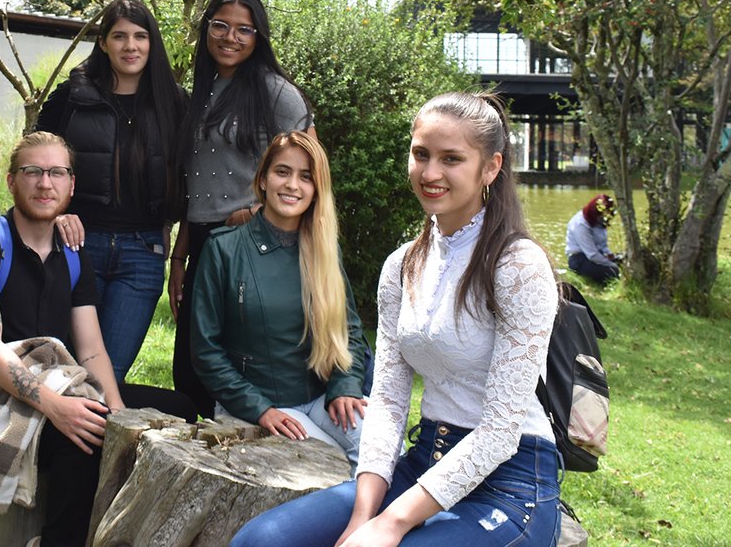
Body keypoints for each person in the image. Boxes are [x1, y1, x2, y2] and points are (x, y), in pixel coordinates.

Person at [231, 91, 561, 547]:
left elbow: (501, 433)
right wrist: (363, 515)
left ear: (490, 167)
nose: (430, 173)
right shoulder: (401, 265)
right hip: (422, 461)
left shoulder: (518, 266)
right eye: (421, 154)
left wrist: (391, 524)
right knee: (261, 541)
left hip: (508, 483)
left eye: (451, 159)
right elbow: (386, 399)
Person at [0, 131, 194, 546]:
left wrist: (117, 412)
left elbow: (93, 349)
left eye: (57, 173)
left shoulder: (72, 253)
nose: (46, 183)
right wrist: (59, 408)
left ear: (72, 185)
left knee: (180, 408)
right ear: (11, 181)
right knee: (82, 436)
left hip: (59, 384)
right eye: (33, 172)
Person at [168, 0, 314, 418]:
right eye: (220, 25)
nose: (230, 37)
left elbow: (311, 171)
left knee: (232, 362)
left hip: (250, 240)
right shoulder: (202, 90)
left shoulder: (276, 93)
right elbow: (197, 180)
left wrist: (256, 212)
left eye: (244, 30)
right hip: (201, 240)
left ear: (258, 37)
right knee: (191, 365)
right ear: (206, 29)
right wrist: (179, 257)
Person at [191, 130, 367, 467]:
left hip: (321, 398)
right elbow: (205, 351)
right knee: (330, 467)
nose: (292, 185)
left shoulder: (325, 251)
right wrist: (260, 409)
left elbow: (351, 331)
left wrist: (345, 385)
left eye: (306, 177)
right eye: (282, 172)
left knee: (384, 453)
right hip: (255, 405)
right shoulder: (223, 248)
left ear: (317, 190)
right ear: (263, 179)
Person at [35, 0, 188, 382]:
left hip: (143, 253)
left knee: (108, 375)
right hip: (77, 246)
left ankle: (89, 438)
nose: (130, 46)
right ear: (103, 43)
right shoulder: (73, 96)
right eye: (119, 36)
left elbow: (187, 174)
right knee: (59, 369)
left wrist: (168, 223)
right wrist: (55, 213)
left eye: (140, 36)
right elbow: (35, 162)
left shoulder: (175, 102)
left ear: (152, 43)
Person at [565, 194, 620, 285]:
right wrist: (612, 265)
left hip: (596, 255)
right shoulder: (581, 224)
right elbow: (592, 255)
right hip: (579, 259)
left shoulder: (600, 222)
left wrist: (611, 256)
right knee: (613, 272)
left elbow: (603, 245)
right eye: (602, 215)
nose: (604, 218)